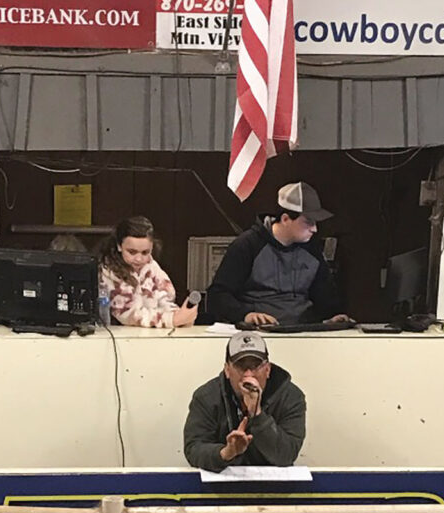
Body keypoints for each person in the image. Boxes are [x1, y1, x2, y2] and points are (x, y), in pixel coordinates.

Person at [206, 181, 350, 326]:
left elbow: (326, 297)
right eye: (308, 222)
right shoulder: (247, 245)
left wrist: (333, 317)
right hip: (259, 331)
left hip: (303, 332)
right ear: (286, 219)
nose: (314, 229)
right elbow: (218, 295)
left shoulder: (312, 251)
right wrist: (245, 315)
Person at [183, 330, 306, 472]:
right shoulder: (206, 397)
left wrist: (258, 415)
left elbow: (287, 455)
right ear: (227, 370)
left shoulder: (291, 397)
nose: (248, 374)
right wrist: (225, 453)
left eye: (255, 365)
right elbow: (193, 449)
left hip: (274, 483)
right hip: (222, 484)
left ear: (267, 369)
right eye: (241, 366)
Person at [98, 216, 198, 329]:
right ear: (119, 246)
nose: (139, 259)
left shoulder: (151, 265)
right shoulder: (107, 272)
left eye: (145, 252)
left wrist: (181, 316)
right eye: (132, 252)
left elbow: (166, 298)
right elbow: (127, 314)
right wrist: (172, 319)